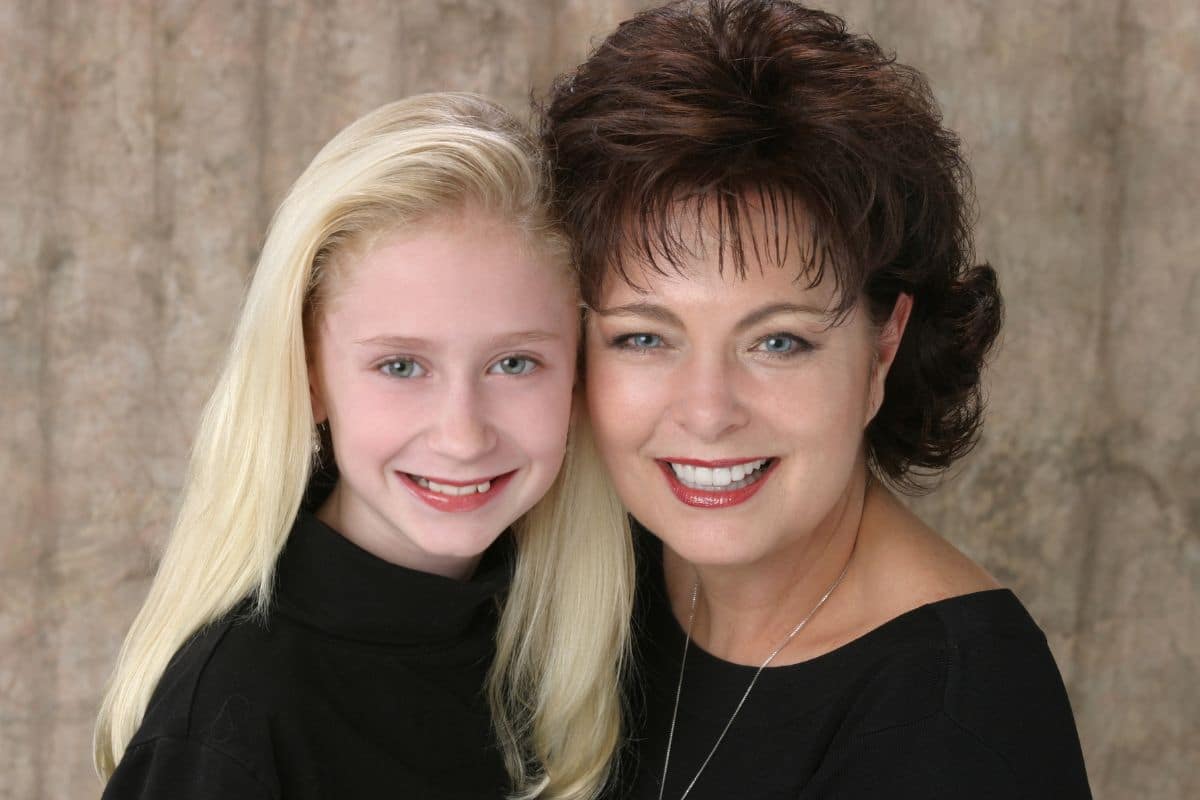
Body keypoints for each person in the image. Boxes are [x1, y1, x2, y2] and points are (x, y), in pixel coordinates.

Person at [542, 1, 1092, 798]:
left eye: (778, 342)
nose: (706, 410)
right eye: (644, 337)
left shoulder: (958, 721)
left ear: (883, 348)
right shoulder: (589, 565)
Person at [94, 93, 633, 800]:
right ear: (309, 378)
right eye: (401, 367)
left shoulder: (595, 634)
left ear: (575, 377)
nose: (462, 434)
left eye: (514, 364)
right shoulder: (233, 720)